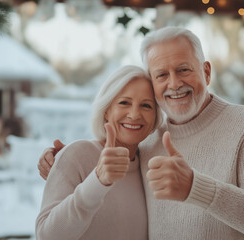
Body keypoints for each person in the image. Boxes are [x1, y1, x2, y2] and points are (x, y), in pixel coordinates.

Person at [38, 27, 244, 240]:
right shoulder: (147, 138)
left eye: (183, 69)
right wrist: (64, 161)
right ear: (153, 83)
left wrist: (196, 187)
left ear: (206, 72)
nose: (174, 84)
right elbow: (111, 161)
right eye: (162, 75)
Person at [35, 65, 163, 240]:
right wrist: (98, 180)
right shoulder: (76, 155)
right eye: (124, 102)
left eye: (146, 106)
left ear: (156, 116)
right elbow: (46, 236)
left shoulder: (150, 166)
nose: (134, 115)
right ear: (106, 110)